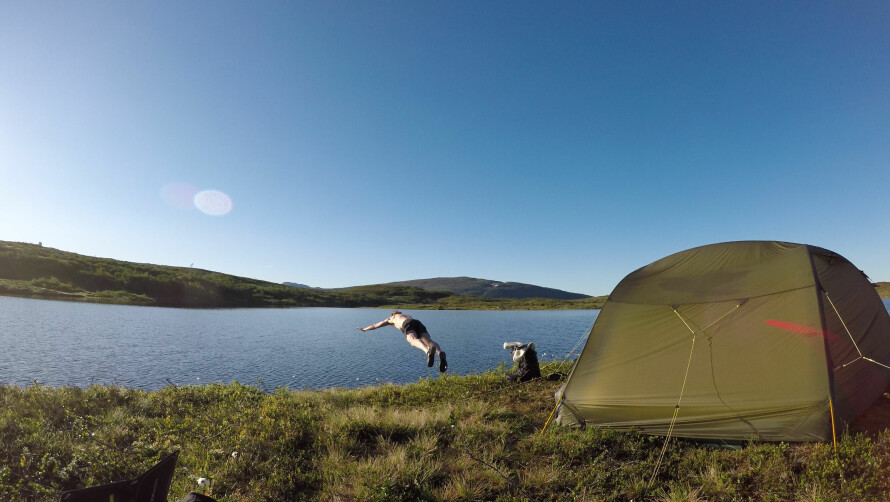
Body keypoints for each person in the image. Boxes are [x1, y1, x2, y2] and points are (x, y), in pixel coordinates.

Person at [358, 310, 447, 372]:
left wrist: (364, 329)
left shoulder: (391, 318)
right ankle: (440, 353)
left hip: (407, 324)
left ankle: (427, 351)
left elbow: (375, 325)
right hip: (417, 322)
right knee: (429, 341)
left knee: (413, 340)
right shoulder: (407, 315)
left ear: (392, 314)